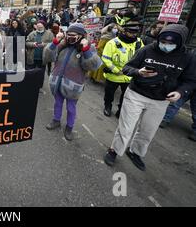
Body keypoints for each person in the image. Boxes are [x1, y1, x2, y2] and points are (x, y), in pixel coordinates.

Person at [104, 24, 196, 171]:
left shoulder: (187, 57)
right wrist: (138, 72)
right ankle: (114, 150)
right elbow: (127, 68)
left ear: (180, 43)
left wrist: (180, 92)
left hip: (160, 100)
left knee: (148, 131)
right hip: (136, 95)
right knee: (126, 127)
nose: (166, 45)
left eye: (171, 43)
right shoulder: (147, 50)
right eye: (163, 42)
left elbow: (190, 81)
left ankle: (135, 152)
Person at [44, 23, 102, 141]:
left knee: (71, 108)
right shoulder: (63, 45)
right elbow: (48, 56)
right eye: (68, 34)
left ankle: (69, 128)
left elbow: (94, 66)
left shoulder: (88, 48)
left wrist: (85, 50)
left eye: (74, 35)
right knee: (58, 103)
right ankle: (56, 120)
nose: (70, 37)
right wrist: (56, 42)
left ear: (81, 36)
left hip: (73, 87)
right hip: (58, 82)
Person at [101, 19, 144, 118]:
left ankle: (121, 110)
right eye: (131, 32)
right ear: (124, 31)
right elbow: (106, 58)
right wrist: (116, 70)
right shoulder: (113, 43)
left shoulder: (138, 42)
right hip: (114, 75)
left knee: (126, 96)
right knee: (109, 94)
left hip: (129, 76)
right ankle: (107, 106)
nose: (134, 35)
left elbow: (142, 56)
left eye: (135, 33)